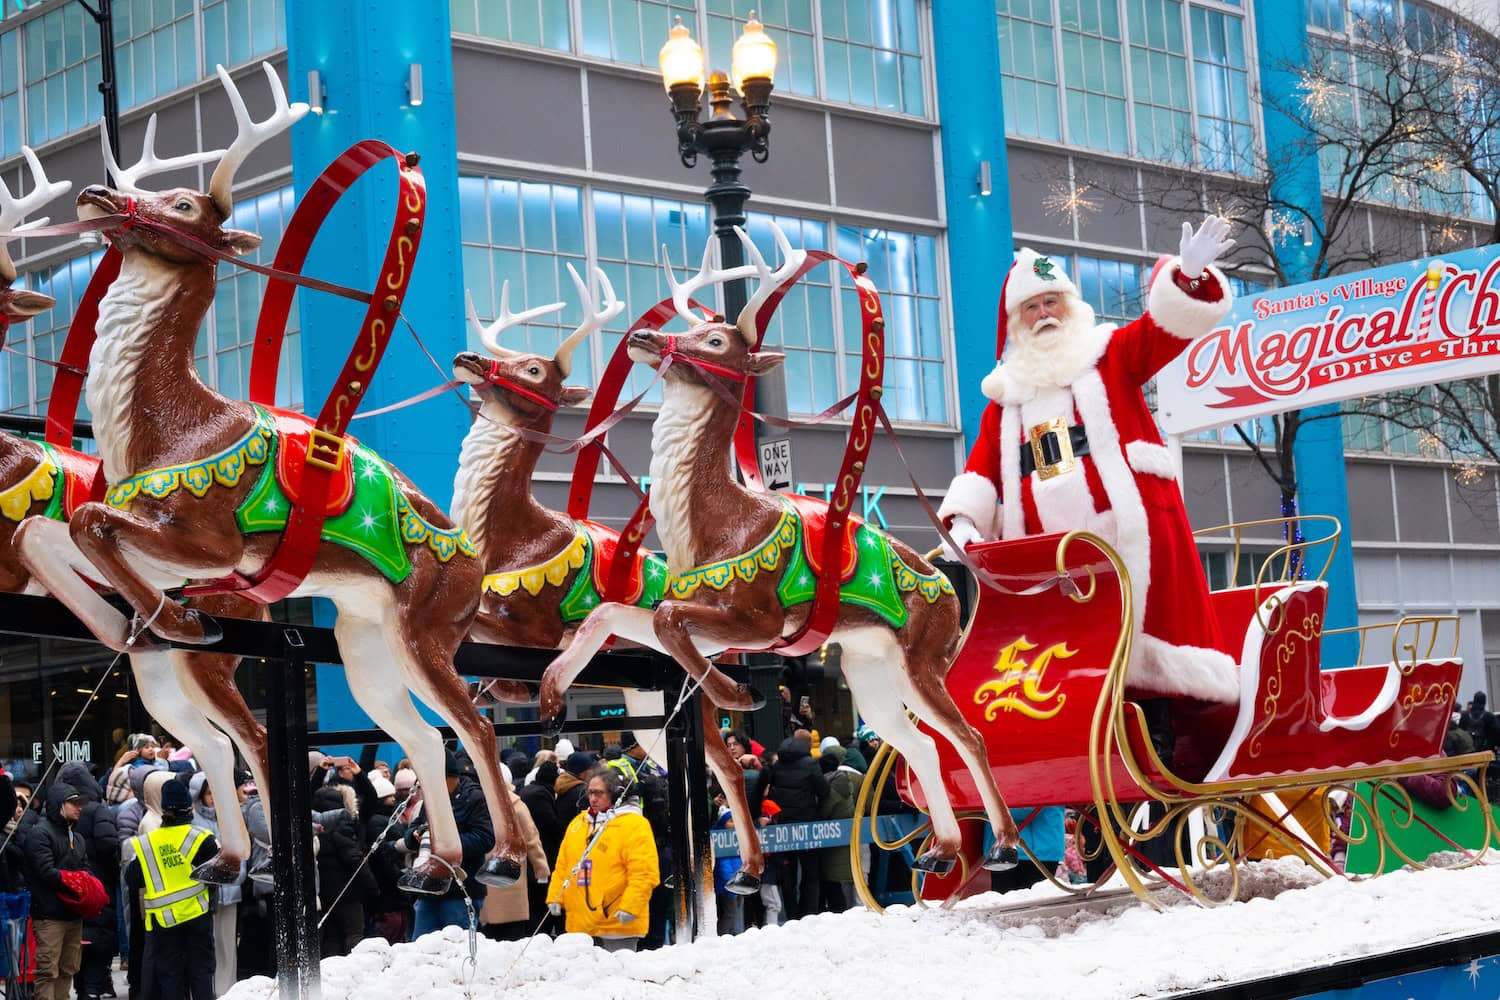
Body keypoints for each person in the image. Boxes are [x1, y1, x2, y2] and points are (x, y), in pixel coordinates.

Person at [938, 218, 1241, 711]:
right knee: (1069, 663)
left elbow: (1162, 333)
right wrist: (965, 522)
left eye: (1051, 301)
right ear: (1018, 323)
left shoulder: (1111, 355)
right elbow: (981, 469)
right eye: (1032, 307)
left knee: (1147, 650)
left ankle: (1159, 728)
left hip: (1123, 533)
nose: (1044, 314)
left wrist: (1186, 279)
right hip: (1049, 559)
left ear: (1070, 304)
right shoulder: (1007, 399)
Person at [546, 767, 659, 952]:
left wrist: (631, 906)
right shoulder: (578, 824)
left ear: (616, 794)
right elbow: (563, 865)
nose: (593, 799)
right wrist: (555, 896)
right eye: (590, 793)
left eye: (599, 793)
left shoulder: (634, 825)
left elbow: (644, 871)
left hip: (616, 923)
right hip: (580, 926)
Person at [123, 778, 217, 1000]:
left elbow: (132, 878)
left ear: (164, 811)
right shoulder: (202, 838)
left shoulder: (147, 843)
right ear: (189, 809)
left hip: (163, 922)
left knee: (170, 978)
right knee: (202, 975)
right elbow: (218, 876)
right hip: (198, 916)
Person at [405, 750, 495, 939]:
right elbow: (413, 829)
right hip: (428, 889)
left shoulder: (474, 798)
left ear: (445, 777)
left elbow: (485, 838)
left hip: (461, 891)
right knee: (421, 946)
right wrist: (415, 836)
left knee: (457, 947)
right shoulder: (432, 799)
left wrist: (446, 843)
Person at [58, 764, 119, 1000]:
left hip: (67, 885)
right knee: (98, 937)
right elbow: (108, 844)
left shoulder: (55, 812)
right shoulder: (97, 810)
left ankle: (83, 988)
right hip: (97, 883)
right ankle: (92, 989)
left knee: (77, 940)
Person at [24, 782, 90, 1000]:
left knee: (68, 968)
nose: (79, 807)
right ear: (59, 804)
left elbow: (86, 868)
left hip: (73, 914)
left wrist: (85, 883)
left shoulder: (77, 837)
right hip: (49, 915)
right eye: (74, 803)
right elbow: (45, 871)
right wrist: (76, 880)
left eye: (80, 803)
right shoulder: (40, 834)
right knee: (47, 971)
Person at [751, 734, 828, 918]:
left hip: (782, 826)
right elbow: (824, 790)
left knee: (788, 874)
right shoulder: (811, 764)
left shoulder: (777, 766)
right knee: (810, 873)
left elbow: (760, 790)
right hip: (807, 825)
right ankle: (809, 912)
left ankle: (792, 914)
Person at [188, 773, 241, 996]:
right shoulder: (193, 821)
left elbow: (240, 850)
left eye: (215, 793)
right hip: (204, 893)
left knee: (227, 945)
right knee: (208, 946)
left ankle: (228, 990)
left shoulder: (227, 817)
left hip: (230, 891)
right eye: (208, 793)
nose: (213, 798)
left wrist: (236, 876)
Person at [554, 751, 596, 823]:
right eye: (590, 769)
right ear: (583, 772)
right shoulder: (583, 791)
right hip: (577, 828)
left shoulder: (562, 784)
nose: (593, 772)